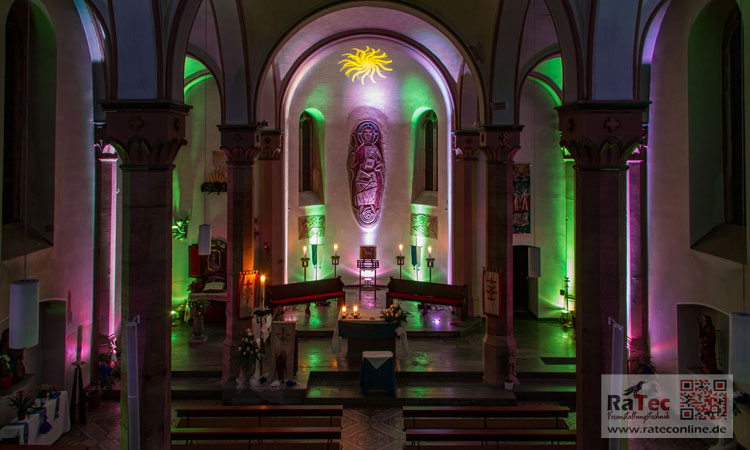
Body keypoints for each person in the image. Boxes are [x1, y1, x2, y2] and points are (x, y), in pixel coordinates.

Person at [349, 122, 384, 226]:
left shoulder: (375, 148)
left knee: (373, 191)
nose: (368, 135)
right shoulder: (360, 148)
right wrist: (354, 151)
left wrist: (377, 167)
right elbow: (352, 164)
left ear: (373, 135)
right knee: (359, 190)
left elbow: (381, 163)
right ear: (362, 135)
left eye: (370, 133)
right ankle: (361, 210)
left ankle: (372, 209)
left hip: (372, 176)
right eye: (365, 133)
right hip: (361, 175)